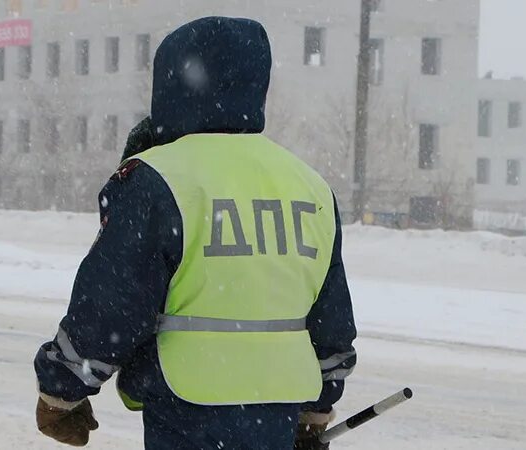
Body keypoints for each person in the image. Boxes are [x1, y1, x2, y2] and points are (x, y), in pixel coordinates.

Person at [34, 16, 356, 450]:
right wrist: (317, 409)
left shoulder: (156, 178)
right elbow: (329, 314)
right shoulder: (308, 183)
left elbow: (112, 303)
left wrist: (63, 390)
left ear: (172, 83)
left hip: (189, 402)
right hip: (279, 405)